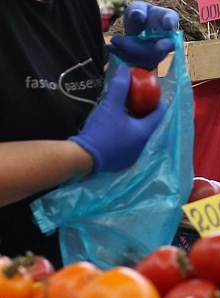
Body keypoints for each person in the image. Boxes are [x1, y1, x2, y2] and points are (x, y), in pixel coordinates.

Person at [0, 1, 178, 265]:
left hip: (71, 265)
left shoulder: (78, 7)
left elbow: (74, 97)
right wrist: (83, 153)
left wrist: (129, 71)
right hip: (12, 272)